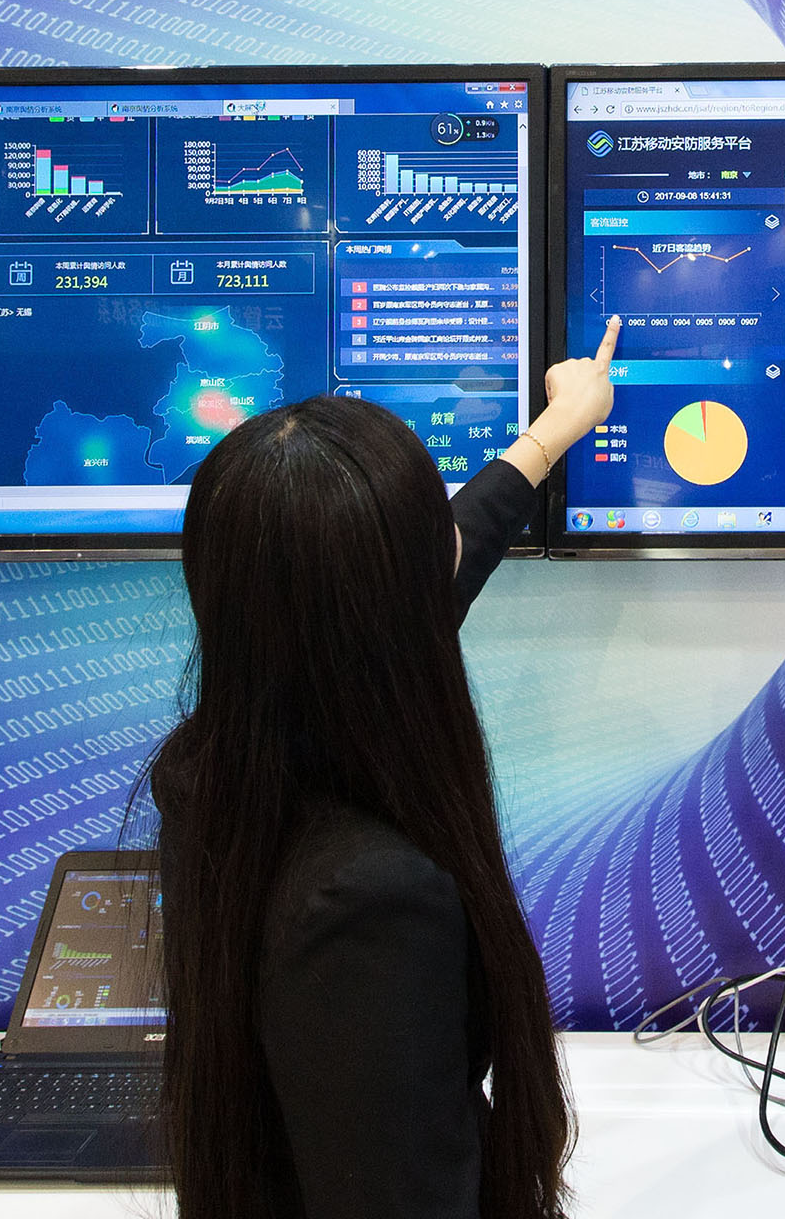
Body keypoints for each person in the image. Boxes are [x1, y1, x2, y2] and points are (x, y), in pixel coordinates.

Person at [145, 319, 620, 1219]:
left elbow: (445, 561)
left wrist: (555, 430)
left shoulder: (218, 765)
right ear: (393, 603)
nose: (452, 553)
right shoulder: (366, 900)